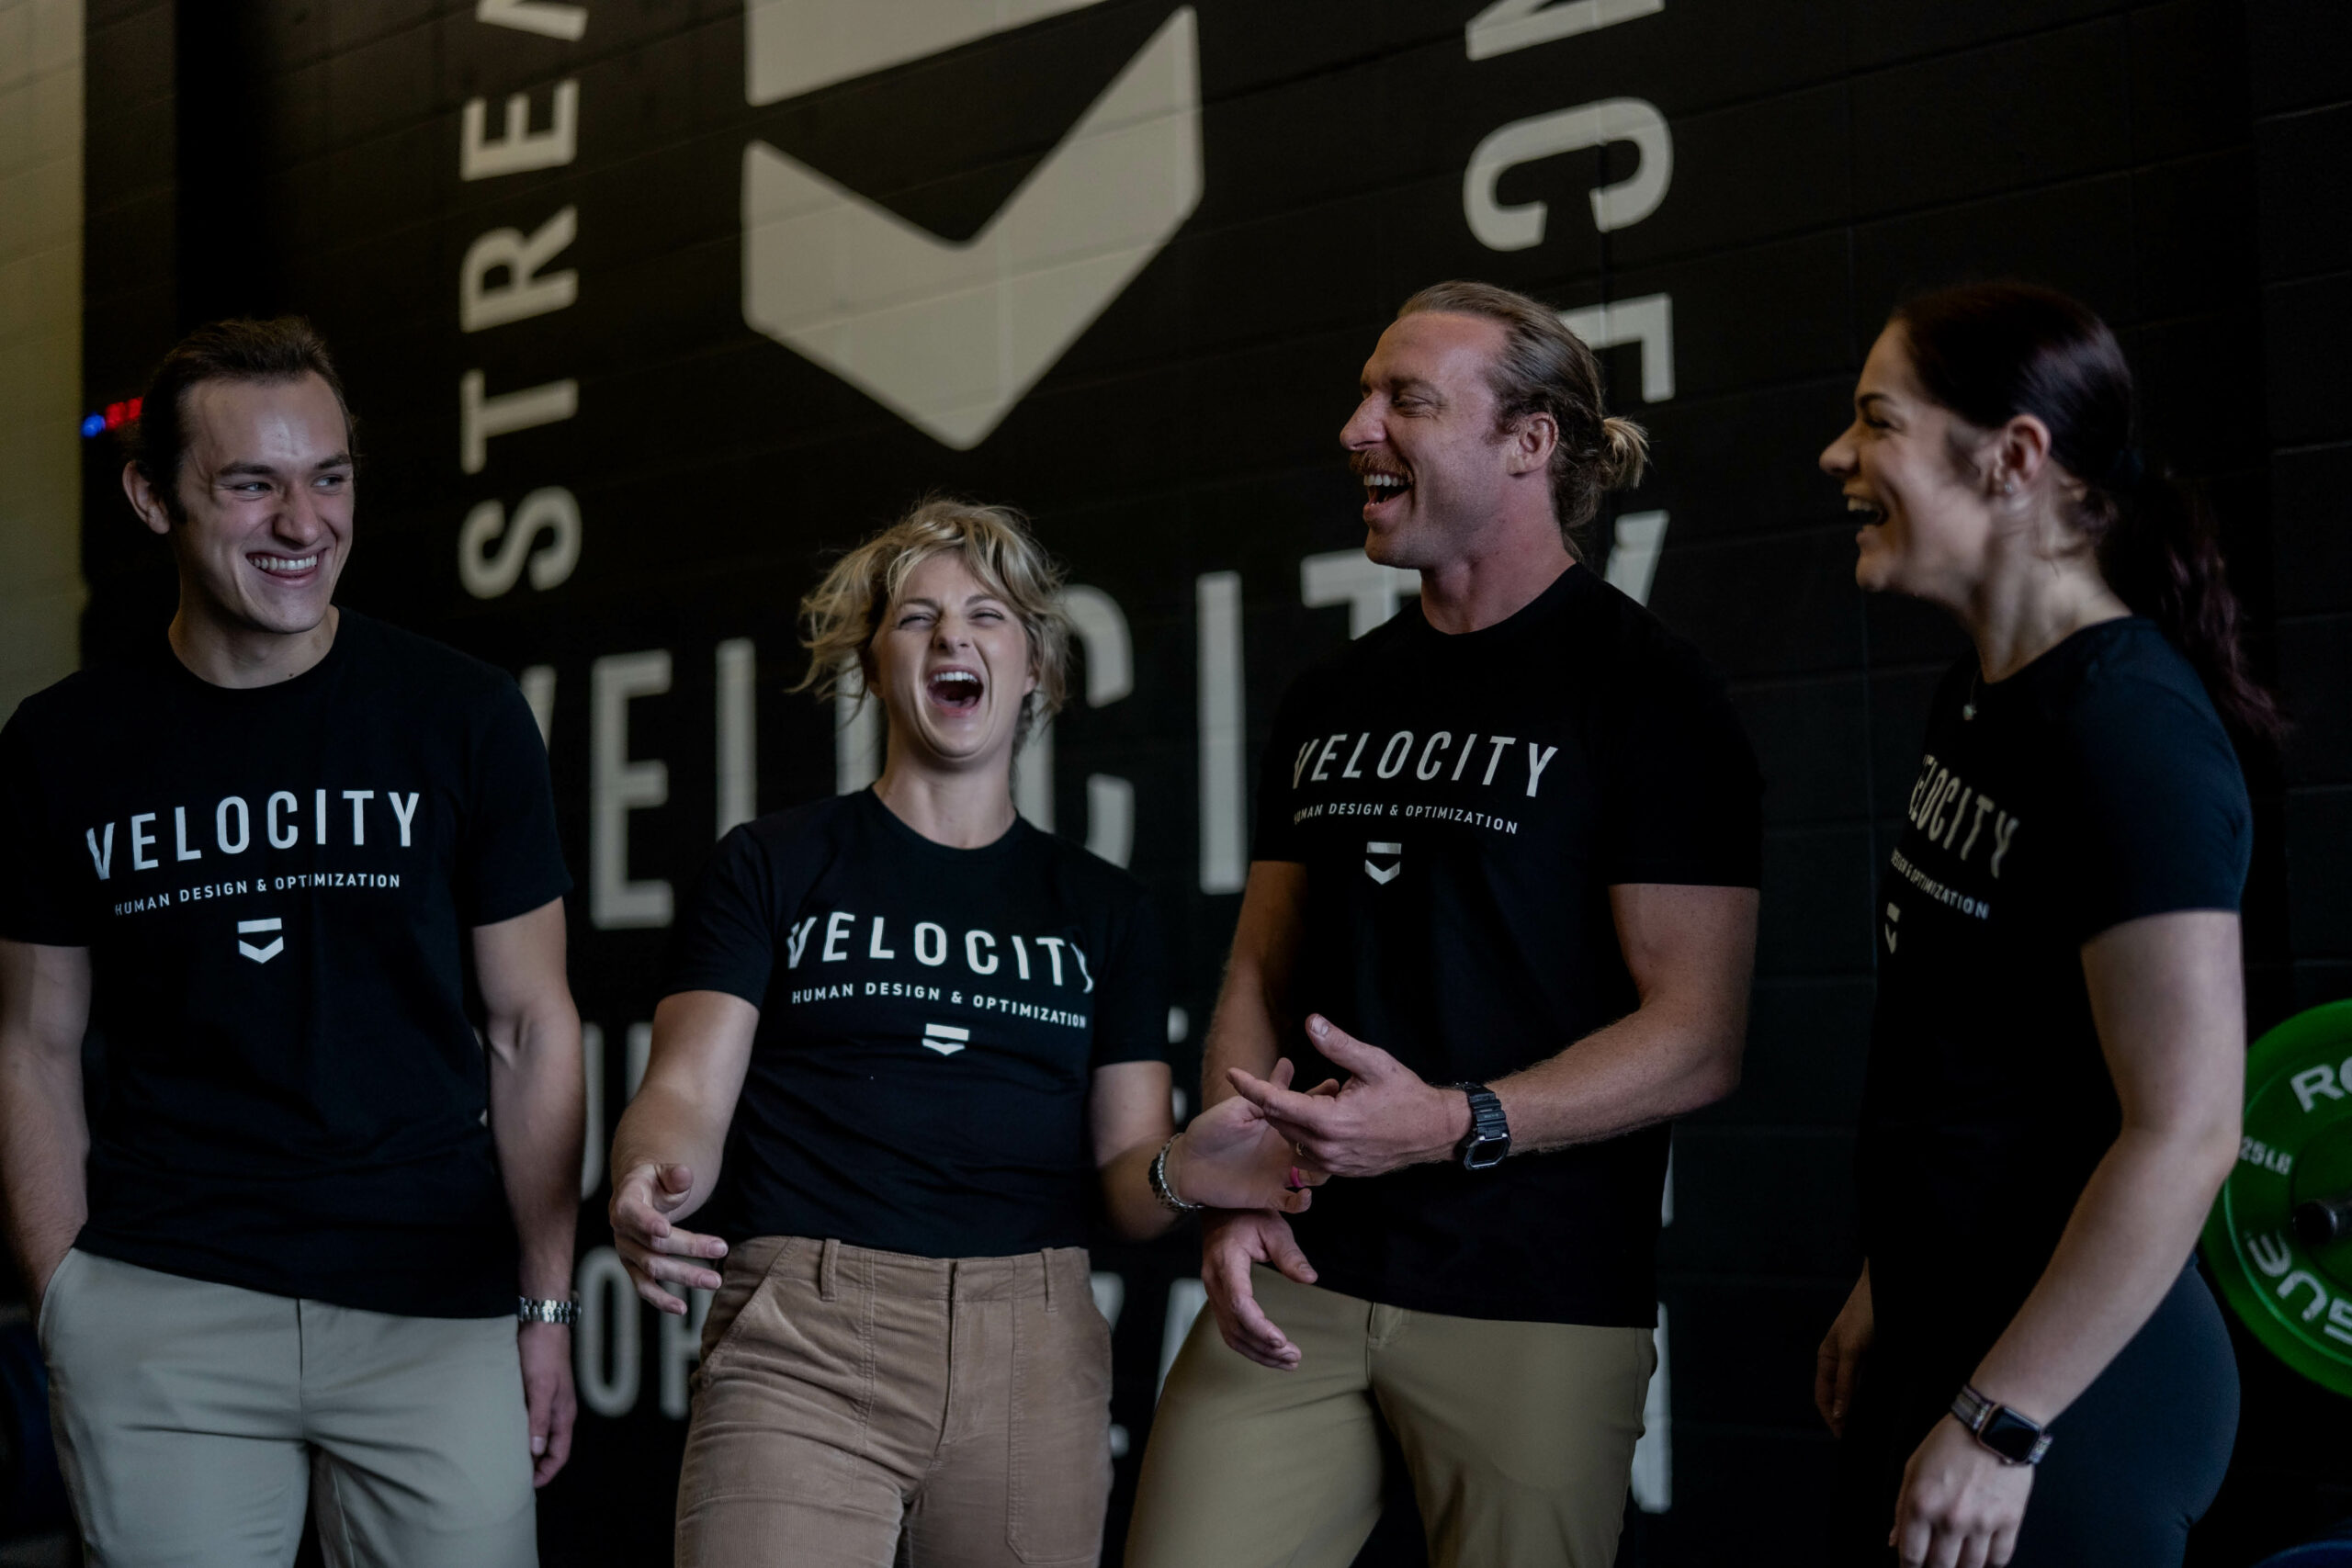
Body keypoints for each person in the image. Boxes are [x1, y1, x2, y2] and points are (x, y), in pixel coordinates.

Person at [1125, 281, 1763, 1568]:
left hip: (1533, 1303)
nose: (1358, 426)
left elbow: (1697, 1033)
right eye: (1366, 393)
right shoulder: (1329, 694)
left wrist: (1456, 1118)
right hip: (1302, 1272)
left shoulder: (1653, 691)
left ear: (1530, 441)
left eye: (1406, 398)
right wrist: (1236, 1181)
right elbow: (1262, 956)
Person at [607, 498, 1310, 1568]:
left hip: (1033, 1348)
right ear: (874, 665)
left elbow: (1128, 1183)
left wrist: (1186, 1169)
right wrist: (651, 1176)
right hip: (803, 1331)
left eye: (986, 615)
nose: (951, 638)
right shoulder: (771, 863)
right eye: (915, 619)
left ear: (1032, 668)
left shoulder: (1103, 908)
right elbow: (686, 1093)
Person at [0, 318, 584, 1566]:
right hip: (166, 1305)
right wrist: (68, 1302)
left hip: (430, 1303)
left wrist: (542, 1300)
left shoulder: (463, 718)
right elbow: (33, 1038)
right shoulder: (62, 744)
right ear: (152, 496)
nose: (302, 521)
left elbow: (532, 1024)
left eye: (329, 477)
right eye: (251, 482)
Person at [1813, 282, 2265, 1568]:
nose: (1838, 455)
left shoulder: (2132, 734)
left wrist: (2005, 1419)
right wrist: (1885, 1281)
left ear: (2014, 456)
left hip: (2075, 1388)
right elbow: (1972, 1049)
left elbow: (2187, 1132)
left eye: (1876, 420)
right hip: (1949, 1329)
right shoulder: (1984, 694)